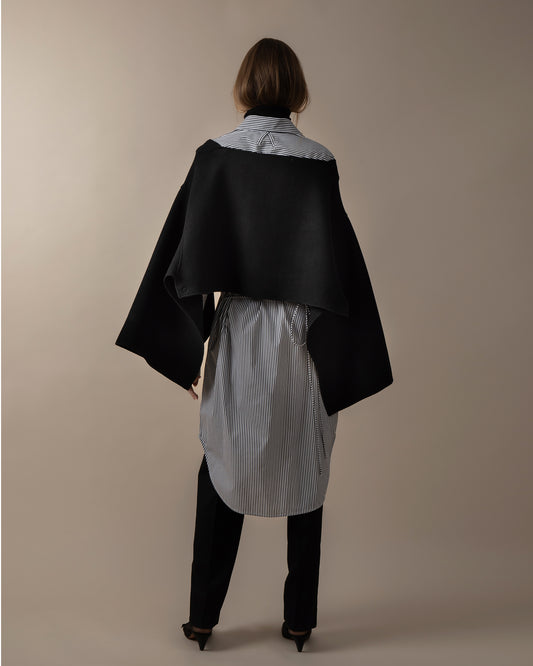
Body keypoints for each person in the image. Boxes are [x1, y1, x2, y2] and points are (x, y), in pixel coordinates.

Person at [115, 37, 393, 652]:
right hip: (301, 339)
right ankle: (300, 621)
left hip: (238, 331)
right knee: (307, 465)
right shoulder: (319, 162)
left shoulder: (214, 157)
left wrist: (188, 351)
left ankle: (202, 619)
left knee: (223, 462)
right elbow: (340, 268)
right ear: (297, 91)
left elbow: (179, 255)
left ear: (244, 86)